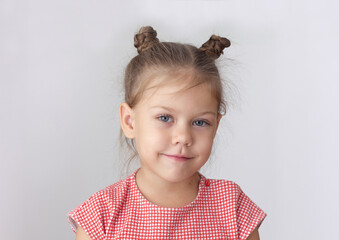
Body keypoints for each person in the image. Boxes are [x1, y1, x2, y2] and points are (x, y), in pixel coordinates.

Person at [68, 26, 267, 240]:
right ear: (130, 121)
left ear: (216, 126)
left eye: (200, 122)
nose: (183, 137)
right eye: (165, 118)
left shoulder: (232, 208)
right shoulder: (101, 216)